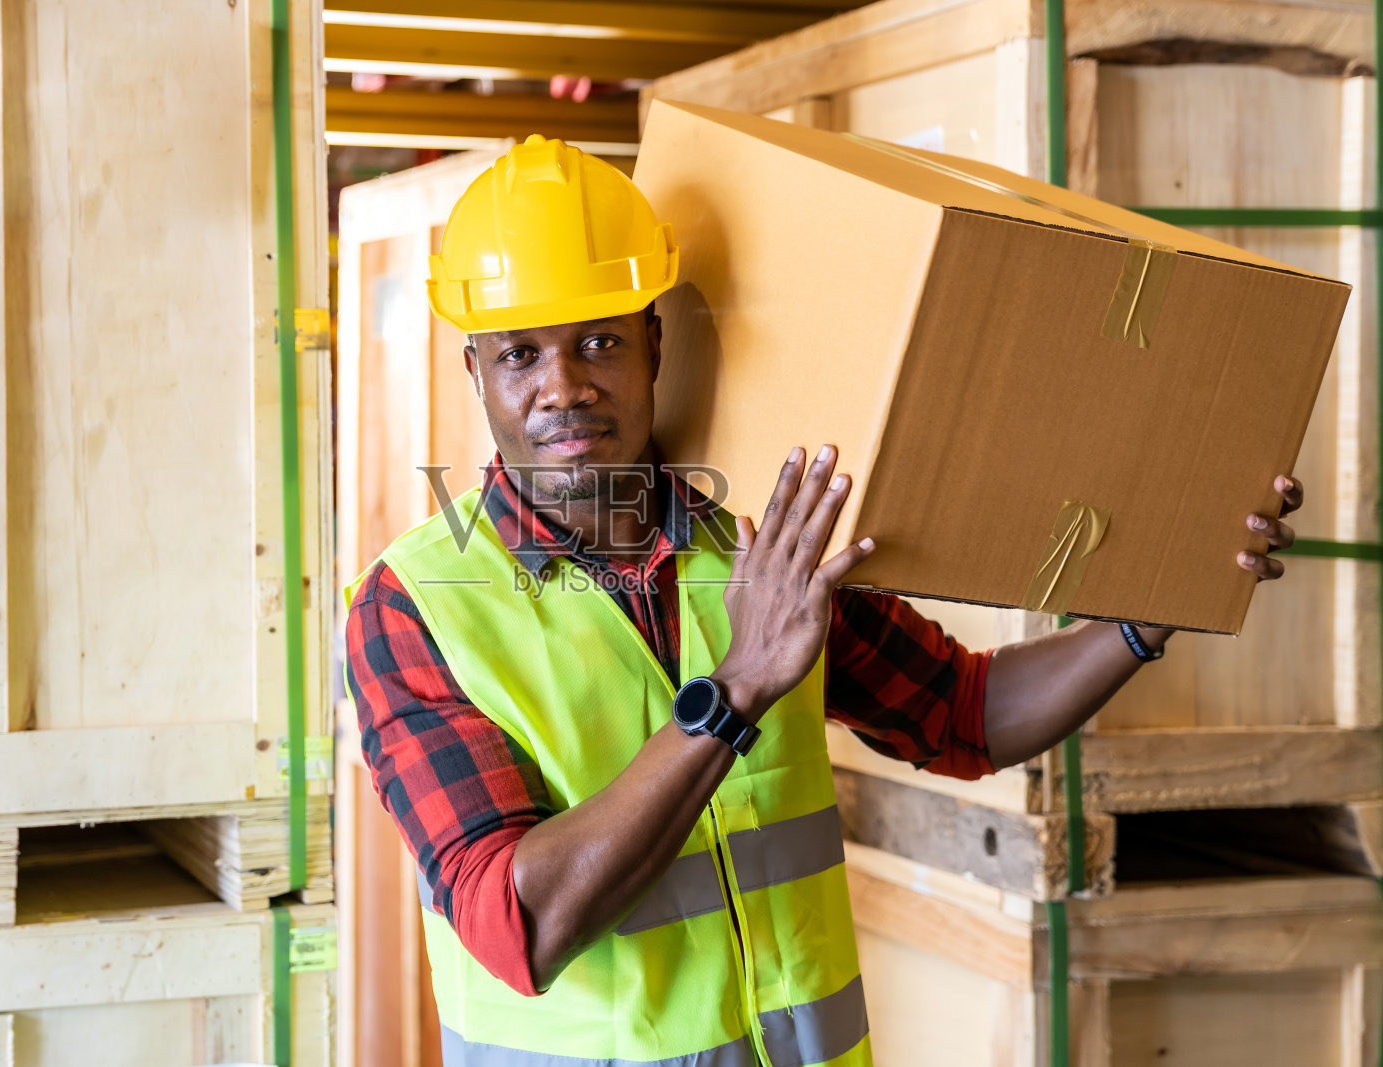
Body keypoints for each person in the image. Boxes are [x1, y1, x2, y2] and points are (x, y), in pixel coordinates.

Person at [343, 134, 1302, 1067]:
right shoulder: (415, 608)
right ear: (476, 371)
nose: (565, 387)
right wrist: (740, 686)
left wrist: (1143, 617)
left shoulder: (763, 544)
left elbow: (965, 715)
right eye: (520, 355)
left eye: (599, 340)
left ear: (654, 345)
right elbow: (520, 924)